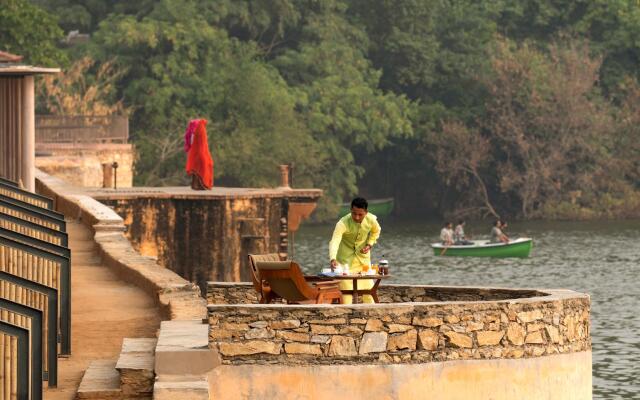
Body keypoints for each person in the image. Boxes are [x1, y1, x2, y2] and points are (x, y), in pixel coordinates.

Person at [329, 197, 381, 304]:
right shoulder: (342, 223)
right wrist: (333, 258)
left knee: (369, 294)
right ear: (350, 210)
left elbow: (376, 231)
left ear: (366, 212)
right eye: (354, 213)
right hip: (345, 263)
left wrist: (369, 244)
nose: (356, 217)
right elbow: (334, 241)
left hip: (363, 262)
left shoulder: (371, 220)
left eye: (360, 214)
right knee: (346, 295)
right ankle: (345, 318)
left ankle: (370, 317)